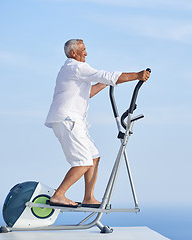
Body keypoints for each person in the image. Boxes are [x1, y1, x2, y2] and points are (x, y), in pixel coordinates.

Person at [45, 39, 150, 207]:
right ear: (74, 53)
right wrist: (137, 76)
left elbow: (88, 93)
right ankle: (59, 195)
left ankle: (89, 197)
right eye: (83, 50)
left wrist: (105, 83)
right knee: (83, 162)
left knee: (94, 157)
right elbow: (108, 75)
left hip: (74, 121)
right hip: (68, 120)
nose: (86, 53)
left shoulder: (72, 71)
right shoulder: (76, 67)